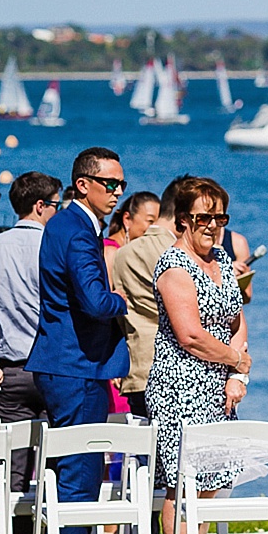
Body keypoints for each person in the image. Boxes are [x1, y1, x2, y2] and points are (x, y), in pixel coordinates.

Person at [26, 146, 132, 534]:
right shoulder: (76, 229)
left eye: (122, 184)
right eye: (110, 184)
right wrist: (121, 301)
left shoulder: (69, 224)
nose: (118, 192)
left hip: (69, 362)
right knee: (79, 472)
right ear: (83, 184)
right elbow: (91, 300)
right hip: (75, 364)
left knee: (73, 470)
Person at [146, 175, 251, 534]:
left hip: (218, 387)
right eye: (204, 217)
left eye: (219, 217)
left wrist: (236, 375)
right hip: (180, 387)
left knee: (209, 487)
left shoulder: (223, 261)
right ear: (183, 221)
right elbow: (190, 335)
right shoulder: (173, 267)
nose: (213, 225)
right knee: (182, 487)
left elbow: (237, 318)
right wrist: (237, 360)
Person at [0, 170, 62, 495]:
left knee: (13, 471)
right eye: (56, 205)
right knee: (57, 467)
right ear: (40, 206)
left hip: (9, 369)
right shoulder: (55, 245)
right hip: (54, 367)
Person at [108, 178, 180, 419]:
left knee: (145, 450)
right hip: (171, 369)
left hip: (138, 365)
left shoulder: (123, 254)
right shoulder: (175, 252)